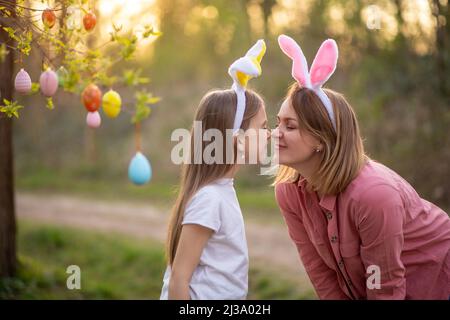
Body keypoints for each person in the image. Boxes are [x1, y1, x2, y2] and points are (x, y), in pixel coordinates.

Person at [273, 34, 450, 300]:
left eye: (290, 126)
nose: (276, 133)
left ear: (322, 138)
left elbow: (384, 287)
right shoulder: (288, 193)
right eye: (278, 123)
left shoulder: (373, 195)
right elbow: (320, 273)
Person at [160, 40, 270, 299]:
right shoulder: (209, 199)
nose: (269, 135)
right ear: (238, 138)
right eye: (263, 127)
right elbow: (179, 280)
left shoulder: (222, 190)